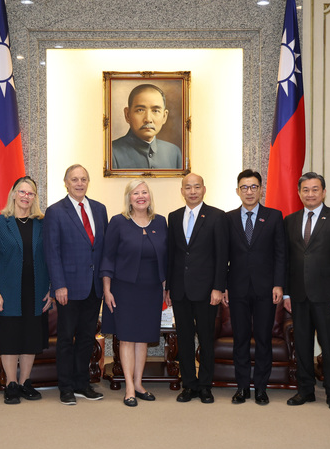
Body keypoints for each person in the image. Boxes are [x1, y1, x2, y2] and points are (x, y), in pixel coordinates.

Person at [283, 172, 330, 411]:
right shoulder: (290, 221)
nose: (310, 194)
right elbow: (286, 261)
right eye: (305, 189)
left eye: (315, 189)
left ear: (323, 192)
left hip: (329, 297)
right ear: (299, 192)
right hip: (299, 296)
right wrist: (286, 294)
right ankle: (305, 390)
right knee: (302, 345)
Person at [0, 177, 53, 405]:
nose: (26, 196)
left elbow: (50, 259)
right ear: (13, 194)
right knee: (11, 339)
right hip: (8, 292)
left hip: (36, 291)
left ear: (35, 197)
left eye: (30, 193)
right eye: (22, 192)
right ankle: (11, 384)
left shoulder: (42, 223)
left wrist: (50, 290)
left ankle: (25, 382)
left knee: (30, 339)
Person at [44, 164, 108, 405]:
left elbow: (103, 249)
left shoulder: (100, 209)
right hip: (68, 288)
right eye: (74, 179)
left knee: (86, 338)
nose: (79, 183)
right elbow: (52, 251)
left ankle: (83, 383)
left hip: (94, 286)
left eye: (83, 179)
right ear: (66, 183)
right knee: (66, 338)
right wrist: (58, 285)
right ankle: (66, 386)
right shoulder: (56, 211)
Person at [101, 180, 168, 407]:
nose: (141, 196)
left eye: (144, 192)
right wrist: (107, 289)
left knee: (143, 338)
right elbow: (108, 257)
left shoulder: (161, 221)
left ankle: (139, 384)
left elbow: (165, 259)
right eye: (135, 193)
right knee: (127, 338)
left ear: (150, 196)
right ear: (128, 198)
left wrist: (166, 288)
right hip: (124, 288)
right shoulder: (118, 222)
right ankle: (129, 387)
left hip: (151, 290)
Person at [225, 169, 286, 405]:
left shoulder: (274, 216)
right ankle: (242, 387)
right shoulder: (228, 219)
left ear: (261, 189)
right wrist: (223, 286)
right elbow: (223, 256)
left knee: (263, 339)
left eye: (253, 187)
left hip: (265, 289)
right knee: (240, 339)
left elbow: (280, 254)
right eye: (244, 187)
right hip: (237, 288)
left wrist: (279, 284)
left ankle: (261, 387)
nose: (249, 192)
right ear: (238, 191)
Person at [166, 173, 227, 404]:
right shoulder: (173, 217)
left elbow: (222, 256)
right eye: (188, 187)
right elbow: (171, 255)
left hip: (206, 291)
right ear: (182, 190)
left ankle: (205, 385)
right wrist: (169, 288)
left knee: (206, 340)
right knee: (184, 339)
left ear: (204, 189)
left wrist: (218, 287)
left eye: (196, 187)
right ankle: (188, 385)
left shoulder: (216, 216)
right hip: (180, 290)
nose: (192, 191)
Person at [111, 84, 182, 169]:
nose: (148, 119)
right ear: (127, 115)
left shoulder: (174, 152)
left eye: (155, 111)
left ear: (164, 116)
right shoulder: (112, 152)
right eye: (140, 110)